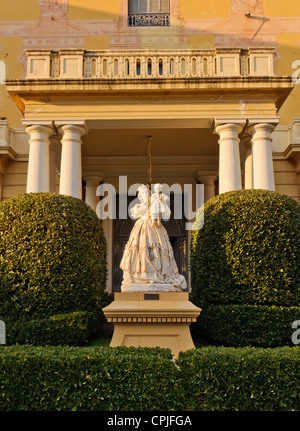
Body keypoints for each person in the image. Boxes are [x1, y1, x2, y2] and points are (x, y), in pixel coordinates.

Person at [120, 184, 187, 291]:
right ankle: (141, 276)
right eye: (142, 194)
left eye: (146, 193)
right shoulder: (139, 206)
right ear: (140, 196)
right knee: (141, 251)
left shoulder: (155, 203)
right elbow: (138, 211)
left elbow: (165, 214)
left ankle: (155, 276)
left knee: (156, 252)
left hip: (155, 230)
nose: (144, 195)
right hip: (142, 230)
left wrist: (160, 200)